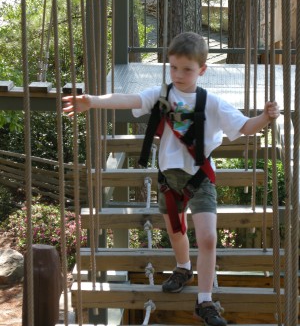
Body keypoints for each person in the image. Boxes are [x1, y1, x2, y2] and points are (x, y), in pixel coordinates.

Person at [62, 32, 280, 326]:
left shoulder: (213, 103)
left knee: (208, 237)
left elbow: (244, 126)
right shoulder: (161, 95)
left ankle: (204, 301)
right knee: (177, 232)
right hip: (168, 178)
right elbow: (128, 99)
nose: (178, 75)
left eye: (187, 69)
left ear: (202, 70)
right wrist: (93, 101)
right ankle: (183, 267)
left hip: (200, 177)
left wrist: (266, 117)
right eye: (174, 67)